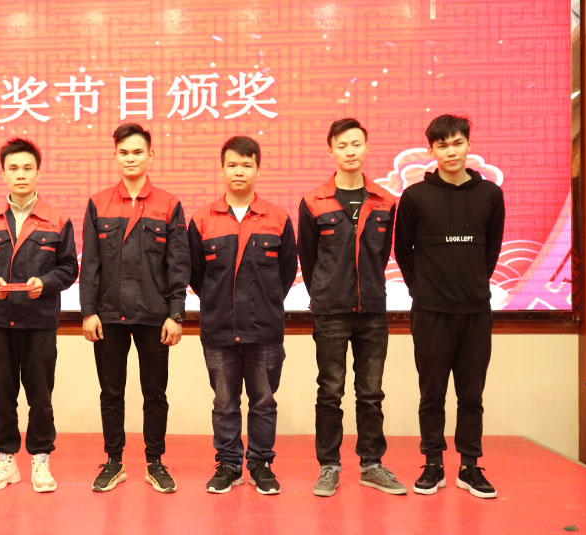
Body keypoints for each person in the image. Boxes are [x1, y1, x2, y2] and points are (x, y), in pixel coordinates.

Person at [394, 114, 506, 499]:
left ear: (469, 145)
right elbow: (403, 252)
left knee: (472, 394)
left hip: (475, 311)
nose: (451, 151)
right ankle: (433, 463)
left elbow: (491, 250)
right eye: (442, 145)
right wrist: (424, 291)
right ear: (431, 150)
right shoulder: (415, 197)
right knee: (432, 394)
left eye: (458, 143)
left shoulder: (490, 195)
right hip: (431, 313)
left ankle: (470, 466)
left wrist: (472, 284)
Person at [298, 118, 406, 497]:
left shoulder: (385, 201)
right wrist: (325, 293)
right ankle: (328, 466)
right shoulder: (313, 202)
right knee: (330, 391)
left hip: (373, 310)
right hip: (330, 311)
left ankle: (371, 465)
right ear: (331, 149)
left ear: (366, 147)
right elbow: (308, 259)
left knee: (371, 393)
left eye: (356, 144)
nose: (350, 151)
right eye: (342, 145)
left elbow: (383, 253)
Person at [80, 123, 189, 493]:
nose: (131, 158)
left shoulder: (169, 205)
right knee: (111, 393)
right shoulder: (98, 203)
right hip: (108, 315)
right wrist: (88, 311)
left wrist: (176, 314)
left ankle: (155, 462)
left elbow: (178, 265)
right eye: (124, 153)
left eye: (138, 152)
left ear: (150, 155)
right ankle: (114, 461)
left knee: (155, 393)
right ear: (115, 156)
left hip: (154, 315)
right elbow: (90, 263)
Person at [0, 138, 79, 493]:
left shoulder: (57, 220)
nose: (20, 174)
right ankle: (5, 460)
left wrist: (44, 284)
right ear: (3, 174)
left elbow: (69, 268)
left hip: (39, 321)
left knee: (40, 395)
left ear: (38, 173)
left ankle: (41, 459)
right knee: (2, 394)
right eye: (13, 168)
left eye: (27, 168)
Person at [188, 136, 296, 495]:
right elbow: (196, 276)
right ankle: (229, 465)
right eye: (232, 164)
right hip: (218, 329)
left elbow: (285, 273)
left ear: (257, 169)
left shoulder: (277, 218)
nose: (239, 171)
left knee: (263, 402)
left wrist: (263, 304)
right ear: (222, 169)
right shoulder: (202, 219)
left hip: (264, 330)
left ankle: (261, 464)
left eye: (247, 165)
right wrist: (219, 304)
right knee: (224, 403)